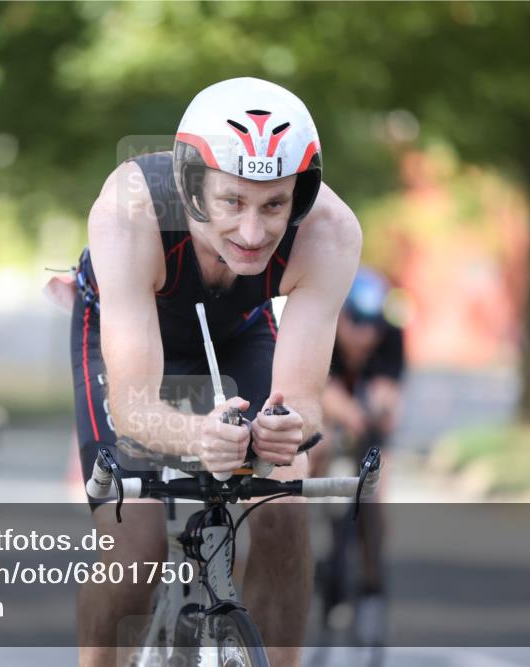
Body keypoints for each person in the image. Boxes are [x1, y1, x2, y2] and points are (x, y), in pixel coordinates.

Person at [70, 77, 362, 666]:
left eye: (275, 204)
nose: (253, 233)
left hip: (236, 333)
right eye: (233, 202)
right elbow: (132, 409)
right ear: (192, 186)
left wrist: (287, 429)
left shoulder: (330, 232)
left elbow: (301, 401)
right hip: (124, 335)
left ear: (301, 196)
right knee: (136, 550)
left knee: (283, 508)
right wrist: (196, 436)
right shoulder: (131, 211)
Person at [311, 267, 404, 658]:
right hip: (323, 411)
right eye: (358, 325)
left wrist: (378, 410)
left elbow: (389, 393)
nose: (367, 336)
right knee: (314, 452)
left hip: (364, 418)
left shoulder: (390, 338)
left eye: (375, 326)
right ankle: (310, 542)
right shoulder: (319, 329)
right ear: (341, 316)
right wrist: (342, 417)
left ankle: (371, 586)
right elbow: (319, 388)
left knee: (376, 498)